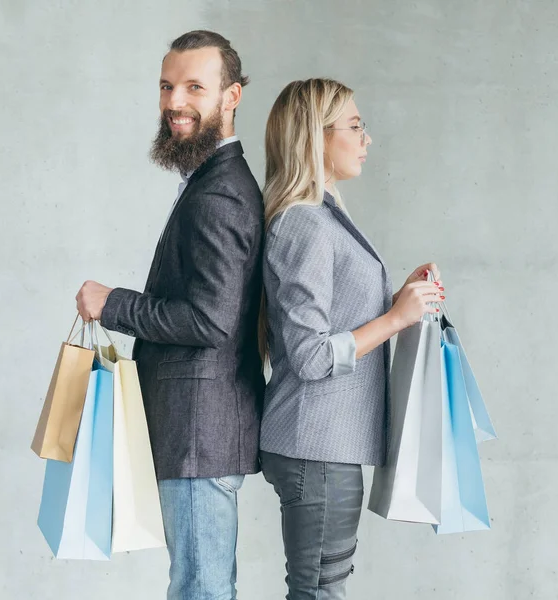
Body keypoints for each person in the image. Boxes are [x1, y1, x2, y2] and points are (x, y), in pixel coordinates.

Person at [75, 30, 265, 600]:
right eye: (166, 86)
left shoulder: (219, 194)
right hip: (198, 432)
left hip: (198, 435)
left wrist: (114, 304)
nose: (174, 102)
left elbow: (211, 321)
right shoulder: (210, 182)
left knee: (201, 590)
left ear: (232, 97)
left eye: (194, 88)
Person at [258, 78, 445, 599]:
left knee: (321, 588)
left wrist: (398, 300)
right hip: (314, 447)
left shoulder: (323, 216)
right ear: (314, 137)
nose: (367, 139)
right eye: (356, 126)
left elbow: (334, 319)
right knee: (320, 591)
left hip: (323, 446)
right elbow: (312, 354)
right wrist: (395, 320)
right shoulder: (305, 224)